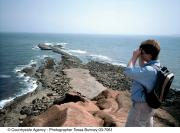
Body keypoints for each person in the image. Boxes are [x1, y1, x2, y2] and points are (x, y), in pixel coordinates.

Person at [124, 39, 161, 127]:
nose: (141, 53)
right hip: (148, 105)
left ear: (149, 54)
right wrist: (141, 56)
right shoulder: (155, 66)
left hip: (141, 106)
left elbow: (128, 72)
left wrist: (134, 57)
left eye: (143, 52)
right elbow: (143, 66)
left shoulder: (149, 70)